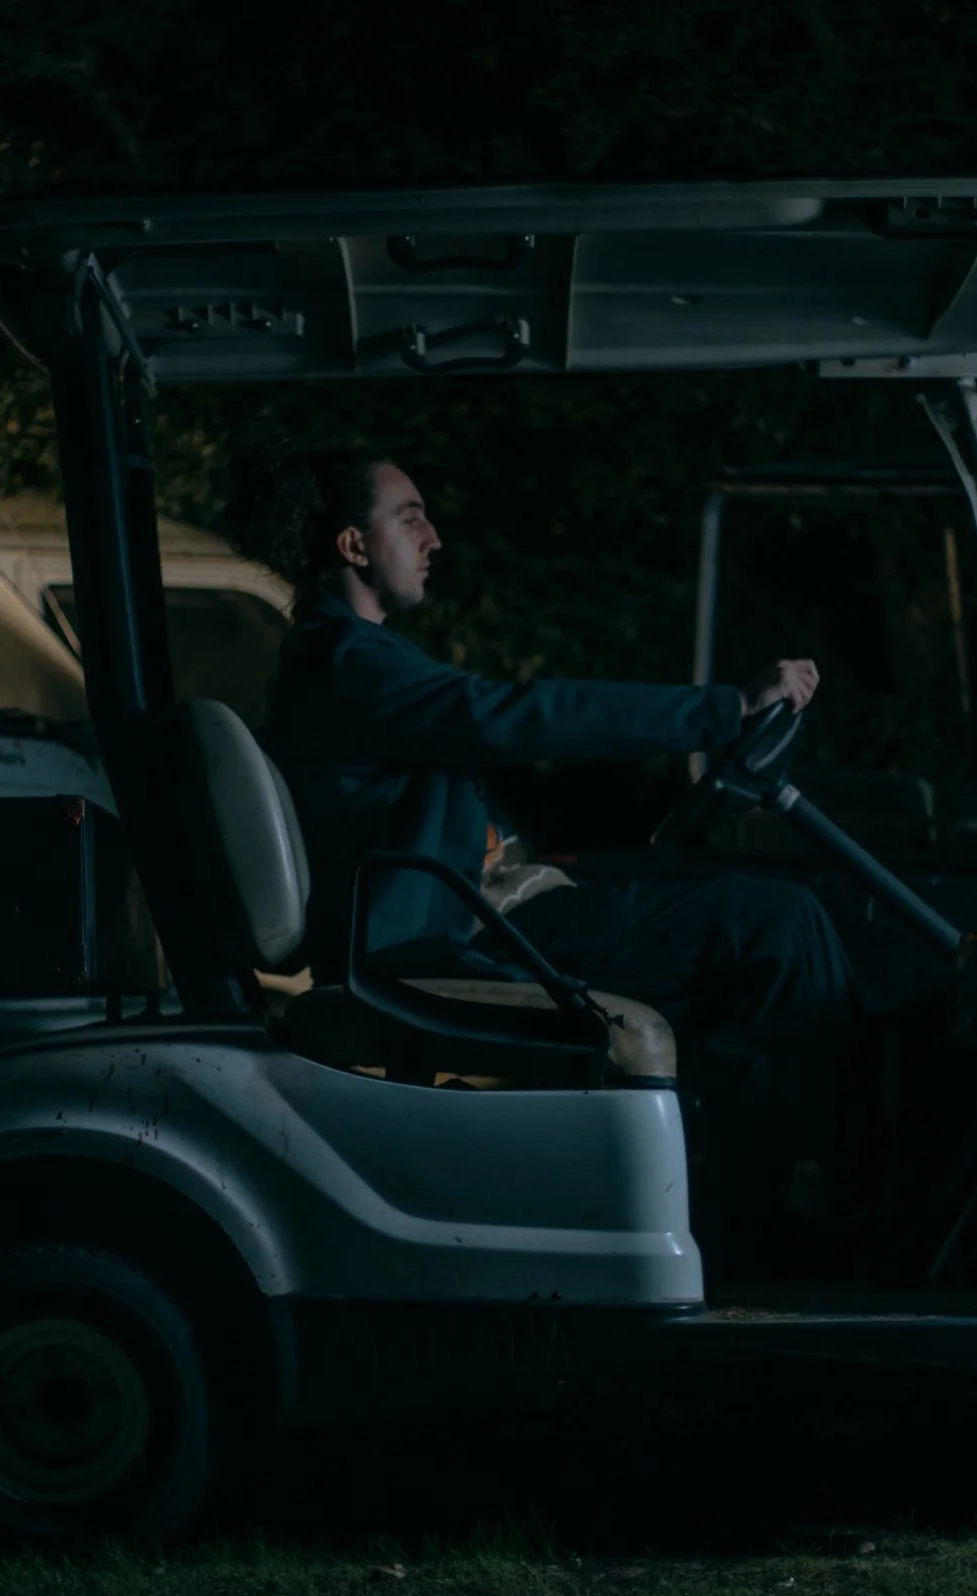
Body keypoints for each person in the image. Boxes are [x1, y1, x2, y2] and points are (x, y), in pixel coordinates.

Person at [237, 440, 858, 1268]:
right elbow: (512, 716)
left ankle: (742, 1204)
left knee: (768, 914)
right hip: (473, 928)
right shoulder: (346, 662)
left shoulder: (347, 657)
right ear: (353, 545)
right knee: (785, 923)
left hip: (497, 897)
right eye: (411, 517)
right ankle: (857, 1215)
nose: (434, 538)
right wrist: (726, 708)